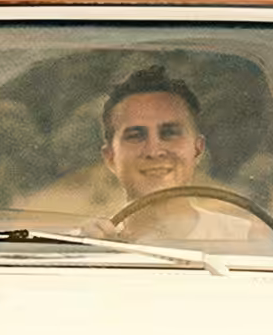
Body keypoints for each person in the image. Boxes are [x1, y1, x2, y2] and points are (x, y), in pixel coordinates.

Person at [82, 65, 257, 241]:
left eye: (170, 133)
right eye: (135, 136)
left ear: (197, 149)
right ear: (110, 157)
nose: (154, 151)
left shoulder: (248, 242)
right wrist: (97, 252)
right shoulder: (86, 246)